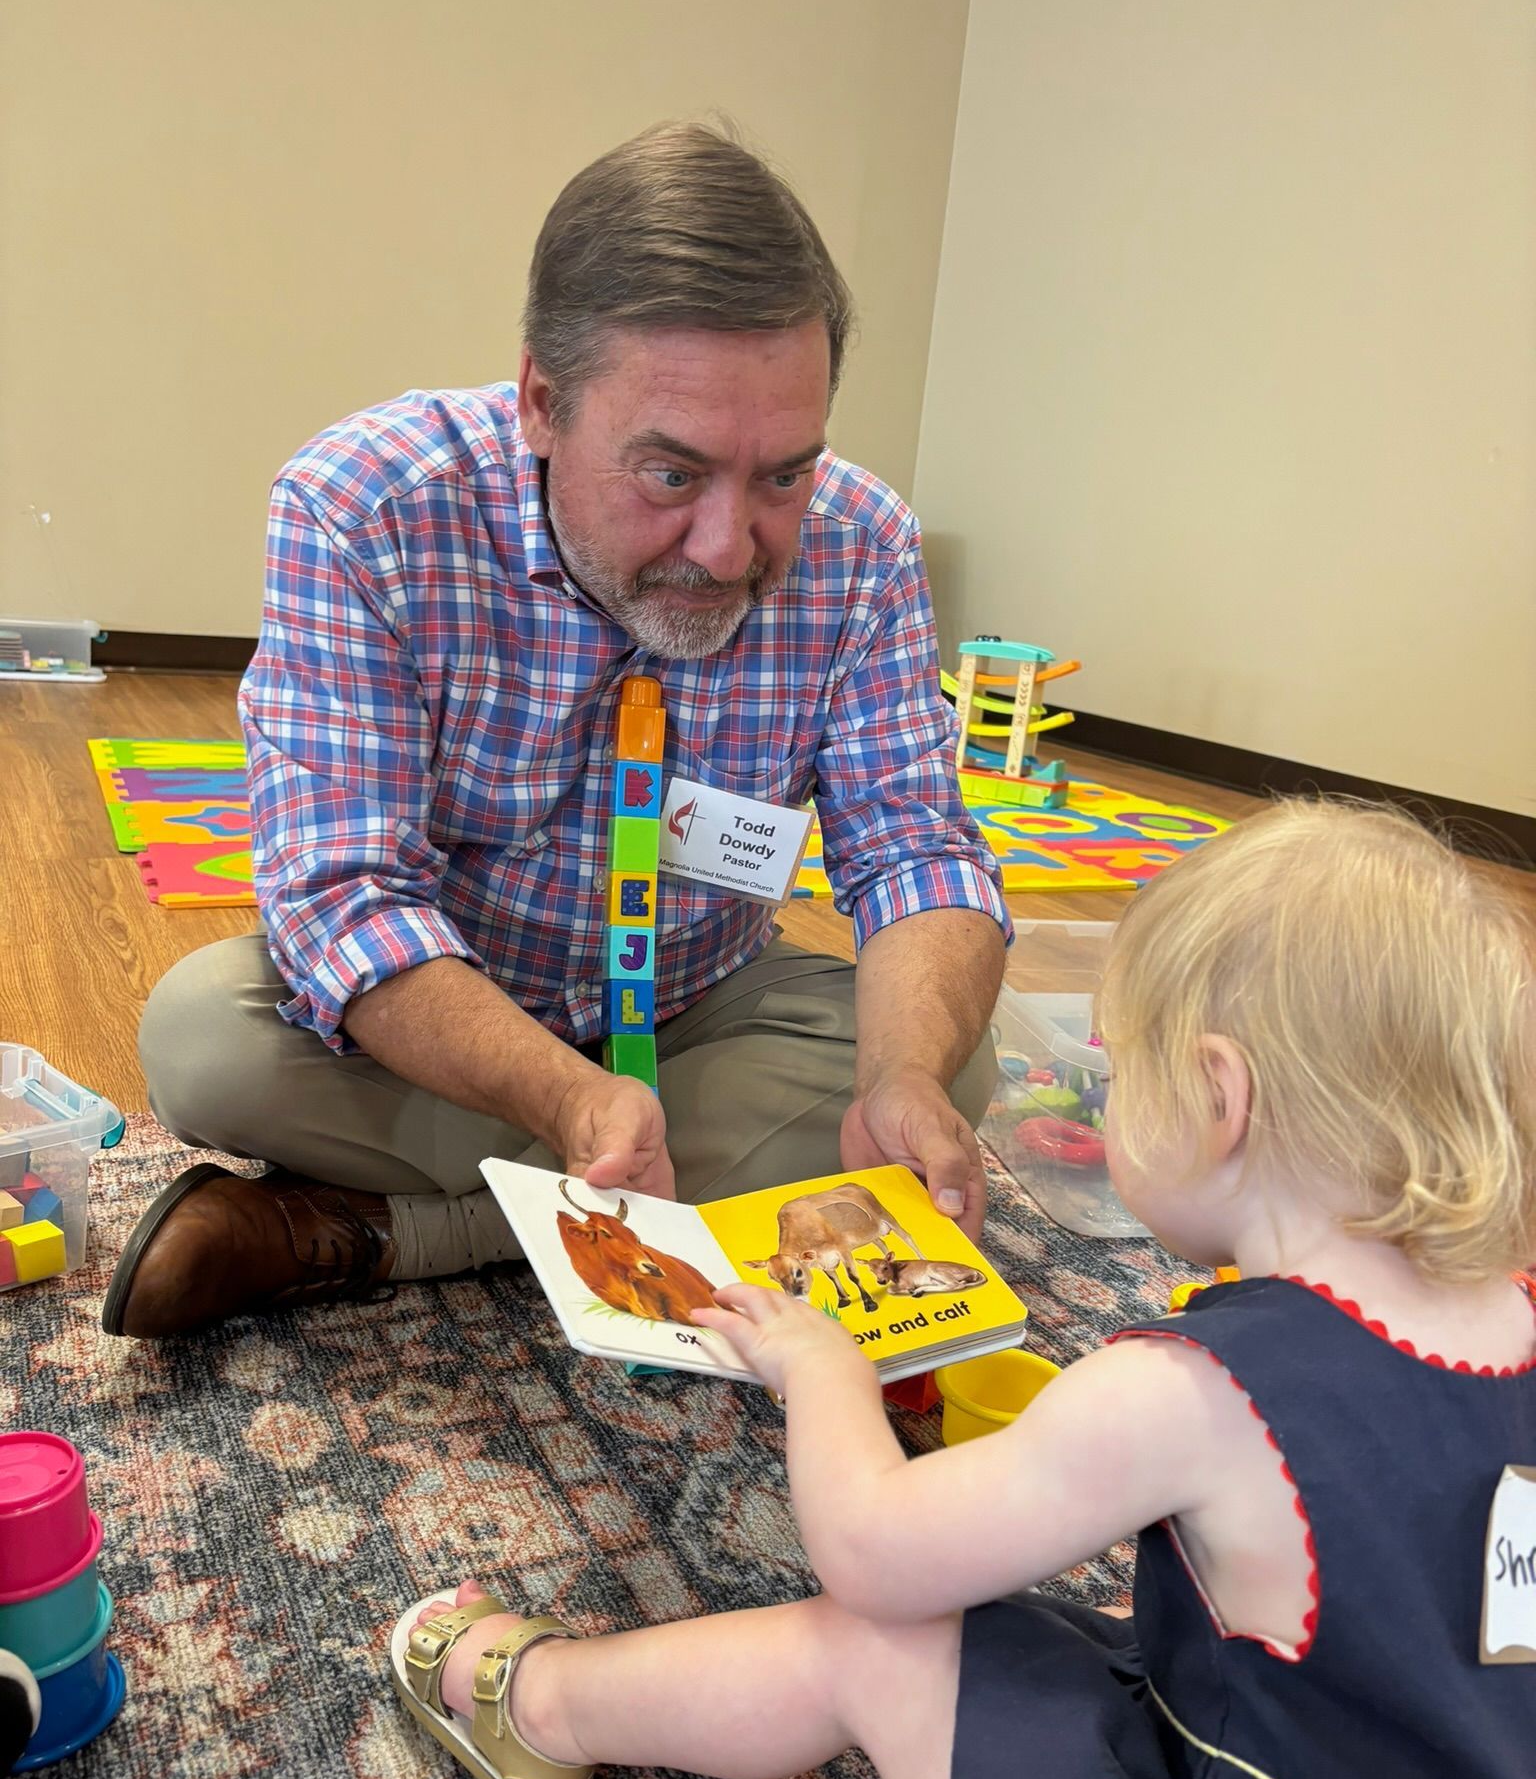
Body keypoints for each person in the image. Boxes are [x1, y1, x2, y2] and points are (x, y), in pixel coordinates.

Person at [389, 800, 1536, 1779]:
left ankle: (538, 1703)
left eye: (1116, 1070)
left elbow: (877, 1554)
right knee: (1110, 1631)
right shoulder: (1514, 1314)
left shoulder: (1192, 1388)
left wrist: (823, 1370)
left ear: (1217, 1096)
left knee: (884, 1637)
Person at [103, 121, 1009, 1340]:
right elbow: (346, 897)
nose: (730, 548)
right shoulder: (365, 509)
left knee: (946, 1059)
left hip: (700, 1002)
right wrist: (566, 1095)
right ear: (541, 402)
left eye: (783, 474)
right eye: (672, 475)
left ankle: (367, 1231)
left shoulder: (865, 545)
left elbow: (915, 854)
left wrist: (902, 1075)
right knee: (207, 1042)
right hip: (452, 1032)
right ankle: (599, 1188)